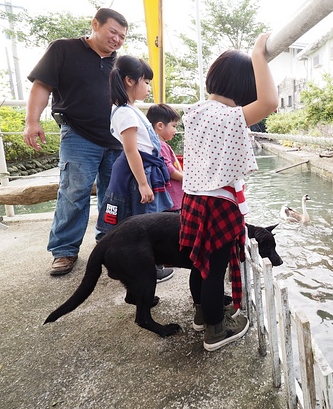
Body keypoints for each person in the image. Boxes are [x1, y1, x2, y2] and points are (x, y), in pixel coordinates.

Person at [179, 32, 278, 351]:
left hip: (192, 200)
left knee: (199, 264)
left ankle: (200, 315)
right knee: (214, 270)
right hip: (218, 204)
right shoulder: (232, 117)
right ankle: (215, 332)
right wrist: (259, 55)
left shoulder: (194, 112)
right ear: (244, 89)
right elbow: (270, 102)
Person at [23, 8, 127, 276]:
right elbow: (41, 86)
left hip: (116, 138)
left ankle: (110, 242)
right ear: (95, 24)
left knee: (114, 195)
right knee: (73, 193)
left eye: (122, 36)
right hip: (79, 134)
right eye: (112, 31)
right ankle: (65, 250)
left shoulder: (120, 63)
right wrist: (32, 122)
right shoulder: (63, 49)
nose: (117, 39)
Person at [96, 56, 174, 283]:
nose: (149, 87)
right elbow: (132, 151)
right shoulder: (124, 113)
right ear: (130, 81)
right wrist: (142, 183)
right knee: (142, 220)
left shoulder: (130, 109)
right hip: (137, 172)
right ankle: (145, 268)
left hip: (145, 168)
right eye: (146, 81)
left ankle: (151, 264)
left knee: (148, 217)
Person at [146, 103, 184, 212]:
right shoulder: (160, 146)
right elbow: (169, 170)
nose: (175, 131)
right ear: (160, 126)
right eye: (174, 126)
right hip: (172, 200)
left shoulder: (159, 144)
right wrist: (186, 178)